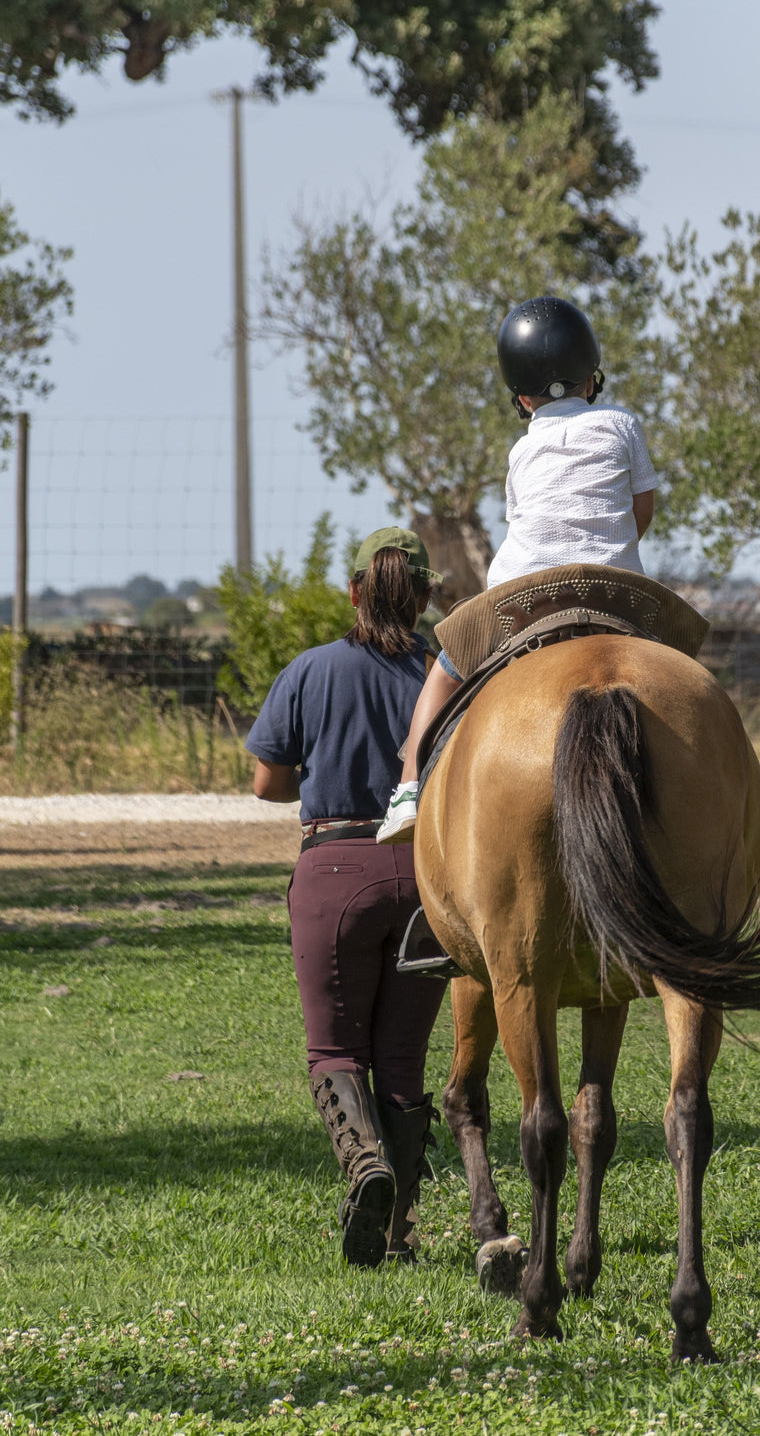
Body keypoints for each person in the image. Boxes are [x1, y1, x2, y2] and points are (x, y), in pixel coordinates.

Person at [376, 295, 657, 844]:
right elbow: (640, 510)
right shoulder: (623, 424)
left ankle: (408, 789)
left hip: (523, 592)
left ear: (521, 399)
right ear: (591, 377)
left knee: (447, 666)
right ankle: (746, 790)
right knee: (680, 661)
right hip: (615, 587)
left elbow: (525, 524)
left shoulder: (521, 451)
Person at [246, 526, 447, 1268]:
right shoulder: (443, 675)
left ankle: (367, 1170)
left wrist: (326, 767)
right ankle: (399, 1236)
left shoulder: (310, 669)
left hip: (333, 872)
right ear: (425, 595)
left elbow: (267, 782)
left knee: (335, 1049)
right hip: (426, 875)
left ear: (354, 590)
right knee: (402, 1057)